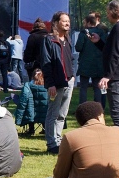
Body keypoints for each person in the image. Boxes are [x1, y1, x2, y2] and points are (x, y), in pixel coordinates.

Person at [93, 0, 119, 150]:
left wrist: (108, 76)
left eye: (107, 11)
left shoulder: (118, 27)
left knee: (118, 116)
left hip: (117, 77)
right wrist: (99, 43)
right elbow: (114, 51)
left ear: (113, 11)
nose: (106, 15)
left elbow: (116, 54)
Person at [40, 11, 75, 154]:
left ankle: (58, 142)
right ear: (56, 23)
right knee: (52, 114)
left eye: (68, 21)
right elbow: (46, 63)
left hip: (69, 81)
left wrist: (72, 76)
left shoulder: (67, 40)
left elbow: (70, 60)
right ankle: (51, 143)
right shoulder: (49, 40)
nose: (67, 23)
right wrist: (50, 83)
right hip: (56, 82)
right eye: (64, 21)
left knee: (62, 114)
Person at [75, 14, 106, 107]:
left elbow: (78, 48)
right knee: (97, 88)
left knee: (83, 87)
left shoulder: (84, 33)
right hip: (98, 64)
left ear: (88, 22)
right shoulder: (102, 32)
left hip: (85, 64)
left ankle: (82, 107)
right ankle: (98, 108)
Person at [13, 69, 49, 136]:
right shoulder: (47, 86)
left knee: (30, 112)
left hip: (32, 110)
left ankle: (31, 130)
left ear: (32, 76)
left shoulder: (28, 85)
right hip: (44, 109)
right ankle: (45, 129)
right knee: (43, 113)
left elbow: (24, 97)